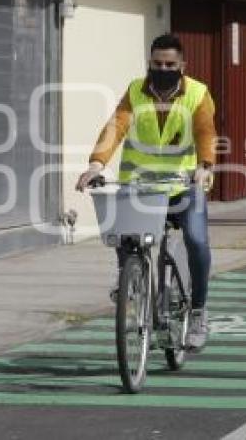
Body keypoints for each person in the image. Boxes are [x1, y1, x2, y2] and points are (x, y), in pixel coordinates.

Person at [75, 34, 217, 351]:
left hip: (183, 187)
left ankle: (198, 311)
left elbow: (205, 129)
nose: (162, 69)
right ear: (149, 63)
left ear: (182, 66)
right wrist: (97, 164)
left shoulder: (197, 93)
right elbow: (116, 126)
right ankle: (130, 280)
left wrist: (205, 164)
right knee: (124, 234)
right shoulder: (136, 91)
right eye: (157, 64)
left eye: (170, 64)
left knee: (196, 240)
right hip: (140, 186)